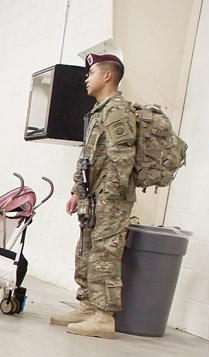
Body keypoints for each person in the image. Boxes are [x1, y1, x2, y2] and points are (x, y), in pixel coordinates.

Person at [54, 53, 136, 339]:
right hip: (93, 196)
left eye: (91, 73)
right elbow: (89, 156)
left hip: (110, 198)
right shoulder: (99, 111)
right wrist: (78, 191)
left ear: (107, 76)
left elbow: (122, 160)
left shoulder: (118, 111)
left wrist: (108, 198)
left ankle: (104, 316)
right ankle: (88, 306)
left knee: (104, 254)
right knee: (87, 251)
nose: (87, 79)